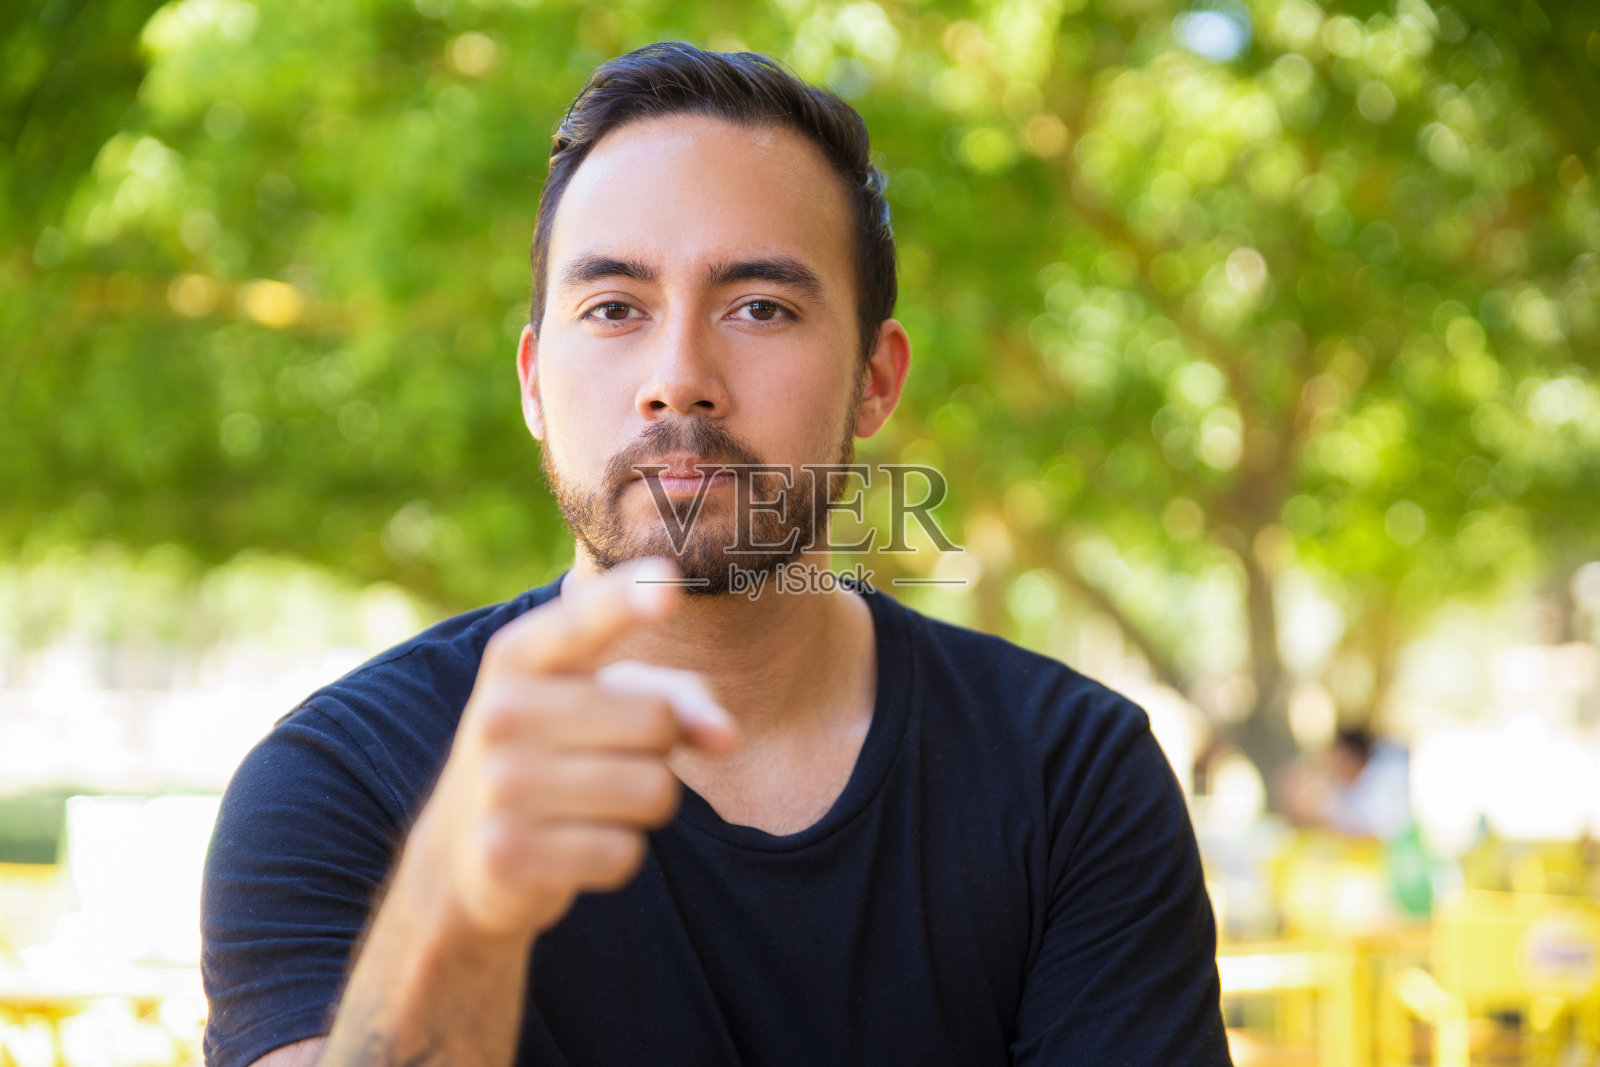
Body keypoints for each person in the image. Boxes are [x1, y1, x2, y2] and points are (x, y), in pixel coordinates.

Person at [200, 42, 1231, 1067]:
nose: (677, 377)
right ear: (531, 383)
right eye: (613, 308)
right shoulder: (337, 788)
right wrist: (453, 916)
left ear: (875, 379)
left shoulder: (1071, 779)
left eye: (760, 308)